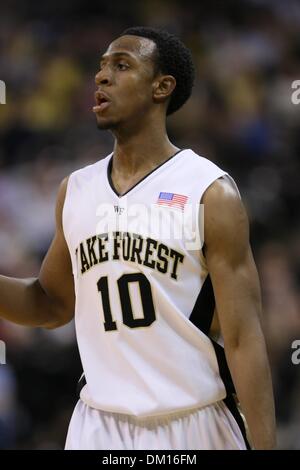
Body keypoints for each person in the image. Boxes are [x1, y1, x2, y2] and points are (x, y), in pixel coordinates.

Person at [0, 26, 276, 450]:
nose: (101, 77)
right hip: (98, 425)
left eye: (121, 65)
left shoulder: (209, 191)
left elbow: (244, 339)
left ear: (161, 87)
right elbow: (50, 304)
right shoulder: (74, 190)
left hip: (192, 422)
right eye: (101, 66)